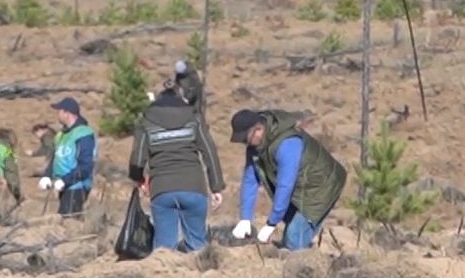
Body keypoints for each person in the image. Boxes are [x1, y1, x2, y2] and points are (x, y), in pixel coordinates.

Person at [229, 108, 346, 250]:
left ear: (258, 129)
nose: (244, 143)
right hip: (299, 186)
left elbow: (285, 185)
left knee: (293, 239)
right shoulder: (255, 147)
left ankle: (305, 267)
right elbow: (250, 180)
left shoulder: (287, 143)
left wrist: (272, 223)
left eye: (244, 139)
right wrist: (245, 218)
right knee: (291, 233)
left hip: (321, 185)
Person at [127, 84, 226, 252]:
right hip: (193, 186)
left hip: (162, 189)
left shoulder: (146, 122)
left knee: (164, 250)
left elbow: (137, 159)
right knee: (198, 247)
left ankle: (165, 276)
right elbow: (209, 151)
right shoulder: (194, 118)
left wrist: (139, 180)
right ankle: (200, 275)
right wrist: (216, 187)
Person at [38, 97, 98, 216]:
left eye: (59, 111)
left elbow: (86, 166)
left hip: (77, 187)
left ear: (67, 113)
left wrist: (65, 180)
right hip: (63, 186)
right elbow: (56, 158)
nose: (57, 114)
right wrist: (47, 176)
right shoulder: (61, 135)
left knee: (68, 221)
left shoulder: (83, 134)